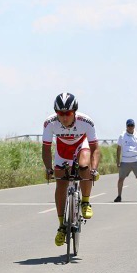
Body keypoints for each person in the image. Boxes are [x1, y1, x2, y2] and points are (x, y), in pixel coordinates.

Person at [42, 92, 100, 247]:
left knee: (83, 166)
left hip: (82, 146)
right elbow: (46, 149)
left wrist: (93, 169)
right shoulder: (50, 123)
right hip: (63, 151)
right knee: (60, 184)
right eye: (60, 113)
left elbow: (95, 148)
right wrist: (48, 168)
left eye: (67, 113)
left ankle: (86, 202)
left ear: (74, 111)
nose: (64, 117)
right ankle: (61, 225)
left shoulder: (86, 122)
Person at [114, 119, 137, 202]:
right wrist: (118, 161)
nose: (130, 127)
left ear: (134, 126)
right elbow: (118, 148)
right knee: (121, 179)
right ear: (126, 126)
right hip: (125, 161)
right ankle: (119, 196)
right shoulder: (122, 135)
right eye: (129, 126)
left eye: (132, 125)